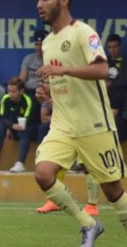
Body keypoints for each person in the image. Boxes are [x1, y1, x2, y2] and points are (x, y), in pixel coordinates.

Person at [34, 0, 127, 247]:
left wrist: (63, 70)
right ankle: (89, 224)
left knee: (112, 190)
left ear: (63, 0)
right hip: (62, 125)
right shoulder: (47, 43)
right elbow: (60, 82)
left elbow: (102, 69)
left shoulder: (83, 32)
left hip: (94, 125)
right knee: (43, 173)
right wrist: (47, 92)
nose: (39, 4)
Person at [34, 79, 101, 216]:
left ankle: (92, 205)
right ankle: (54, 201)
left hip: (86, 127)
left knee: (87, 165)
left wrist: (58, 101)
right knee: (54, 163)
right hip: (64, 130)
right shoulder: (57, 88)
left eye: (47, 82)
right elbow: (46, 111)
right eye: (45, 82)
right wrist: (45, 100)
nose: (45, 84)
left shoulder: (76, 82)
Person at [0, 78, 37, 173]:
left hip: (30, 128)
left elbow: (27, 119)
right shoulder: (5, 98)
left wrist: (13, 126)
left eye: (13, 91)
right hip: (13, 127)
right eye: (9, 91)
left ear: (21, 91)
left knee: (24, 131)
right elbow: (1, 117)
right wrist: (11, 126)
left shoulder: (28, 99)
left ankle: (20, 163)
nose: (10, 94)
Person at [106, 34, 127, 116]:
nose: (112, 50)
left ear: (120, 46)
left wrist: (111, 84)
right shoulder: (104, 61)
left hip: (123, 96)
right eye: (110, 47)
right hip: (106, 94)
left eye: (115, 46)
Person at [20, 30, 49, 96]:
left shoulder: (51, 60)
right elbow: (21, 80)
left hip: (44, 91)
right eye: (36, 44)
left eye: (41, 45)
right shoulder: (28, 58)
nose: (39, 48)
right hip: (28, 91)